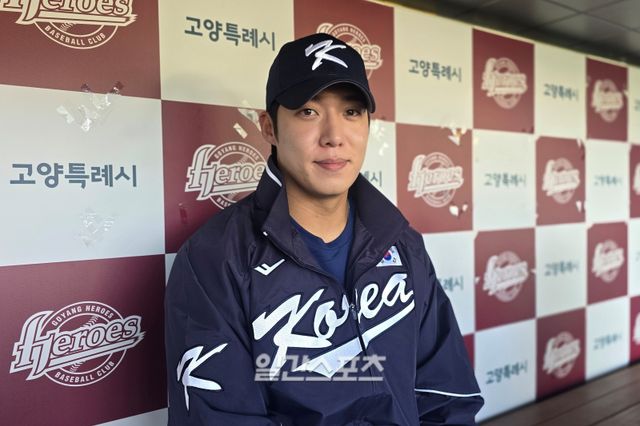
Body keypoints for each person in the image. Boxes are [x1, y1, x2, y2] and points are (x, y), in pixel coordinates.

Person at [165, 33, 483, 425]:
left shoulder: (402, 243)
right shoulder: (214, 258)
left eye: (351, 112)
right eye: (308, 111)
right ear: (269, 127)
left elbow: (446, 395)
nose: (334, 136)